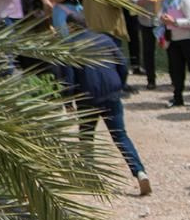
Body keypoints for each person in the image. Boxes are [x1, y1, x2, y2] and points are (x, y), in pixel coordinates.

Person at [60, 13, 151, 196]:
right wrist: (120, 84)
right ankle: (140, 172)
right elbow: (122, 65)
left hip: (87, 98)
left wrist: (67, 99)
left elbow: (68, 77)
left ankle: (89, 176)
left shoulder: (70, 47)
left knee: (86, 136)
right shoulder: (105, 39)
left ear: (71, 27)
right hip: (111, 95)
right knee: (120, 136)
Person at [127, 0, 162, 91]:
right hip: (146, 19)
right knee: (148, 51)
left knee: (171, 49)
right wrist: (143, 0)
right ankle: (151, 79)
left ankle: (175, 77)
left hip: (162, 19)